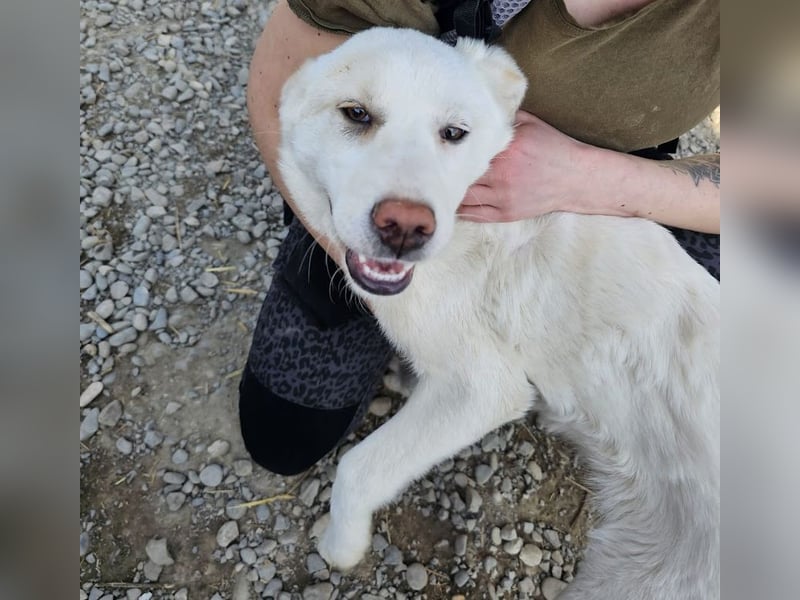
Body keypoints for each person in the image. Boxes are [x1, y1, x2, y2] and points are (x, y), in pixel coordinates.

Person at [238, 0, 720, 475]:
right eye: (359, 115)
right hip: (367, 209)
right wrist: (357, 256)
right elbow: (282, 87)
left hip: (612, 193)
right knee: (283, 436)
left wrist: (588, 179)